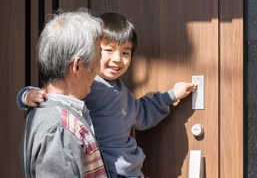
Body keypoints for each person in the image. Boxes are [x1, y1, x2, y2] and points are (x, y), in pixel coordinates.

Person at [17, 12, 196, 178]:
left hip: (131, 171)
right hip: (109, 171)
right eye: (107, 50)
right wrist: (26, 95)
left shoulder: (123, 93)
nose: (117, 59)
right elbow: (52, 94)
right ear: (79, 65)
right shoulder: (86, 87)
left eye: (125, 52)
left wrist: (171, 95)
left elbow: (142, 112)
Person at [19, 10, 109, 178]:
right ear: (77, 66)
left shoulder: (53, 116)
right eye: (97, 63)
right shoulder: (60, 128)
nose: (98, 72)